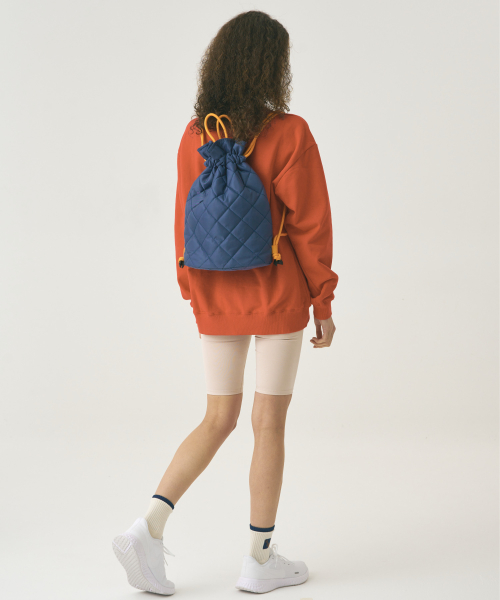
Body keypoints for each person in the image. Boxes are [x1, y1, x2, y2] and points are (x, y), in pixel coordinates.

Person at [112, 9, 338, 596]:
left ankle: (147, 528)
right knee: (268, 422)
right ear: (271, 66)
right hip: (278, 294)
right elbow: (310, 226)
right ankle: (259, 559)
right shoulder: (290, 132)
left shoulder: (195, 134)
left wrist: (192, 290)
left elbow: (182, 221)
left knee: (217, 417)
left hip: (213, 293)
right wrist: (323, 300)